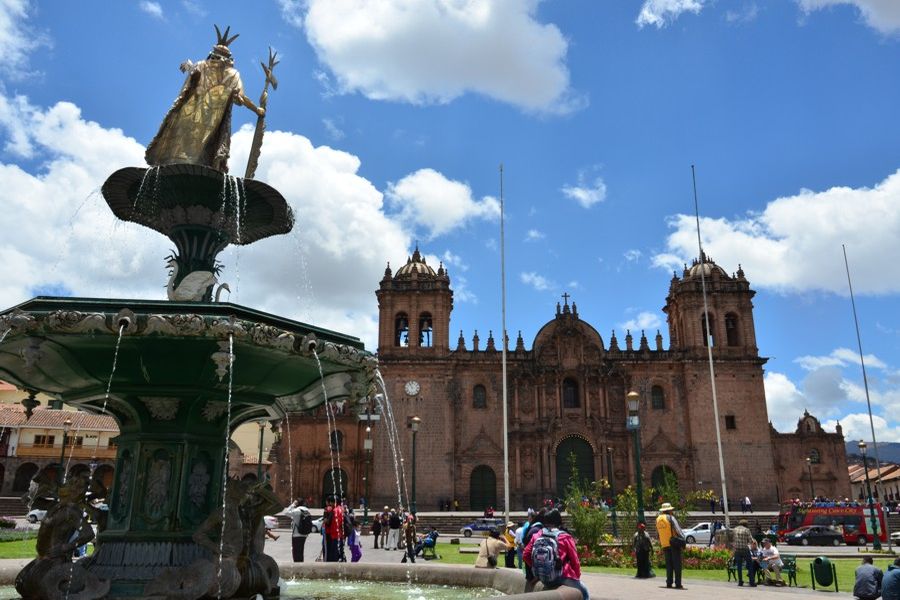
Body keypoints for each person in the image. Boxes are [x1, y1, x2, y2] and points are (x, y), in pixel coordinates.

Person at [145, 25, 265, 172]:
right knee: (198, 148)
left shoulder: (205, 66)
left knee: (190, 146)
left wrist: (191, 69)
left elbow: (239, 98)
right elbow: (240, 99)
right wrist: (257, 110)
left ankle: (183, 164)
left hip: (196, 116)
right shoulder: (229, 73)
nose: (215, 61)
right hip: (206, 118)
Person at [523, 509, 590, 599]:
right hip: (563, 576)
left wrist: (539, 569)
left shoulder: (538, 535)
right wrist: (576, 577)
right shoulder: (565, 537)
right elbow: (575, 561)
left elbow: (525, 555)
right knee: (584, 592)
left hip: (545, 578)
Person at [655, 502, 685, 590]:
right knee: (677, 565)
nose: (672, 511)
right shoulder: (671, 518)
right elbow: (678, 530)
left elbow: (657, 534)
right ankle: (678, 584)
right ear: (669, 510)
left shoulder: (658, 519)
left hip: (664, 544)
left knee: (669, 565)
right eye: (671, 510)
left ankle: (669, 582)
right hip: (673, 543)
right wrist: (683, 539)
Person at [731, 519, 753, 586]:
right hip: (745, 549)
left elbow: (733, 539)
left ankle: (740, 581)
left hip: (737, 550)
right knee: (750, 565)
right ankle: (751, 582)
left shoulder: (734, 529)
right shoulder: (747, 530)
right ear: (746, 524)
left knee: (739, 566)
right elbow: (750, 540)